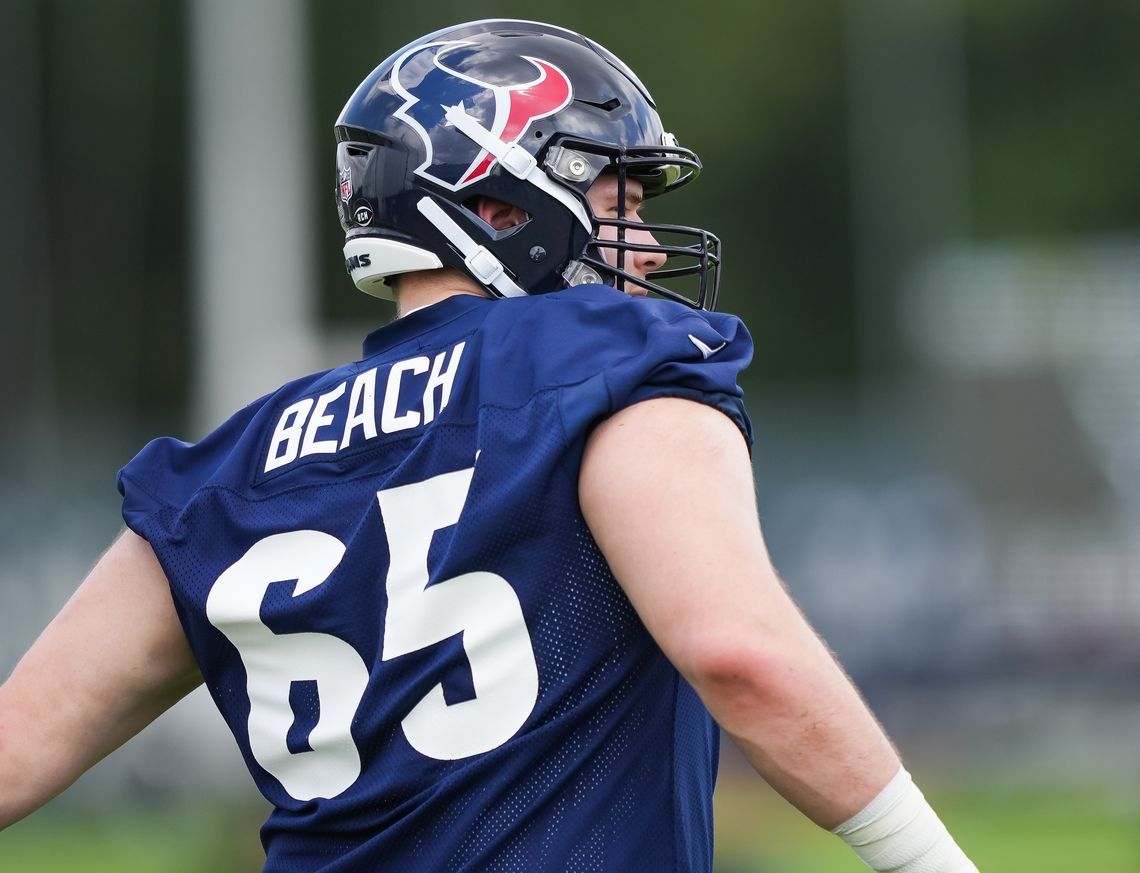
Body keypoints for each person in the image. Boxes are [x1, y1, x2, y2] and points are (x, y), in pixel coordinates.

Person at [0, 19, 977, 873]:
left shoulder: (228, 465)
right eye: (619, 201)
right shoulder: (608, 362)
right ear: (498, 207)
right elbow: (738, 654)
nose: (640, 242)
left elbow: (16, 749)